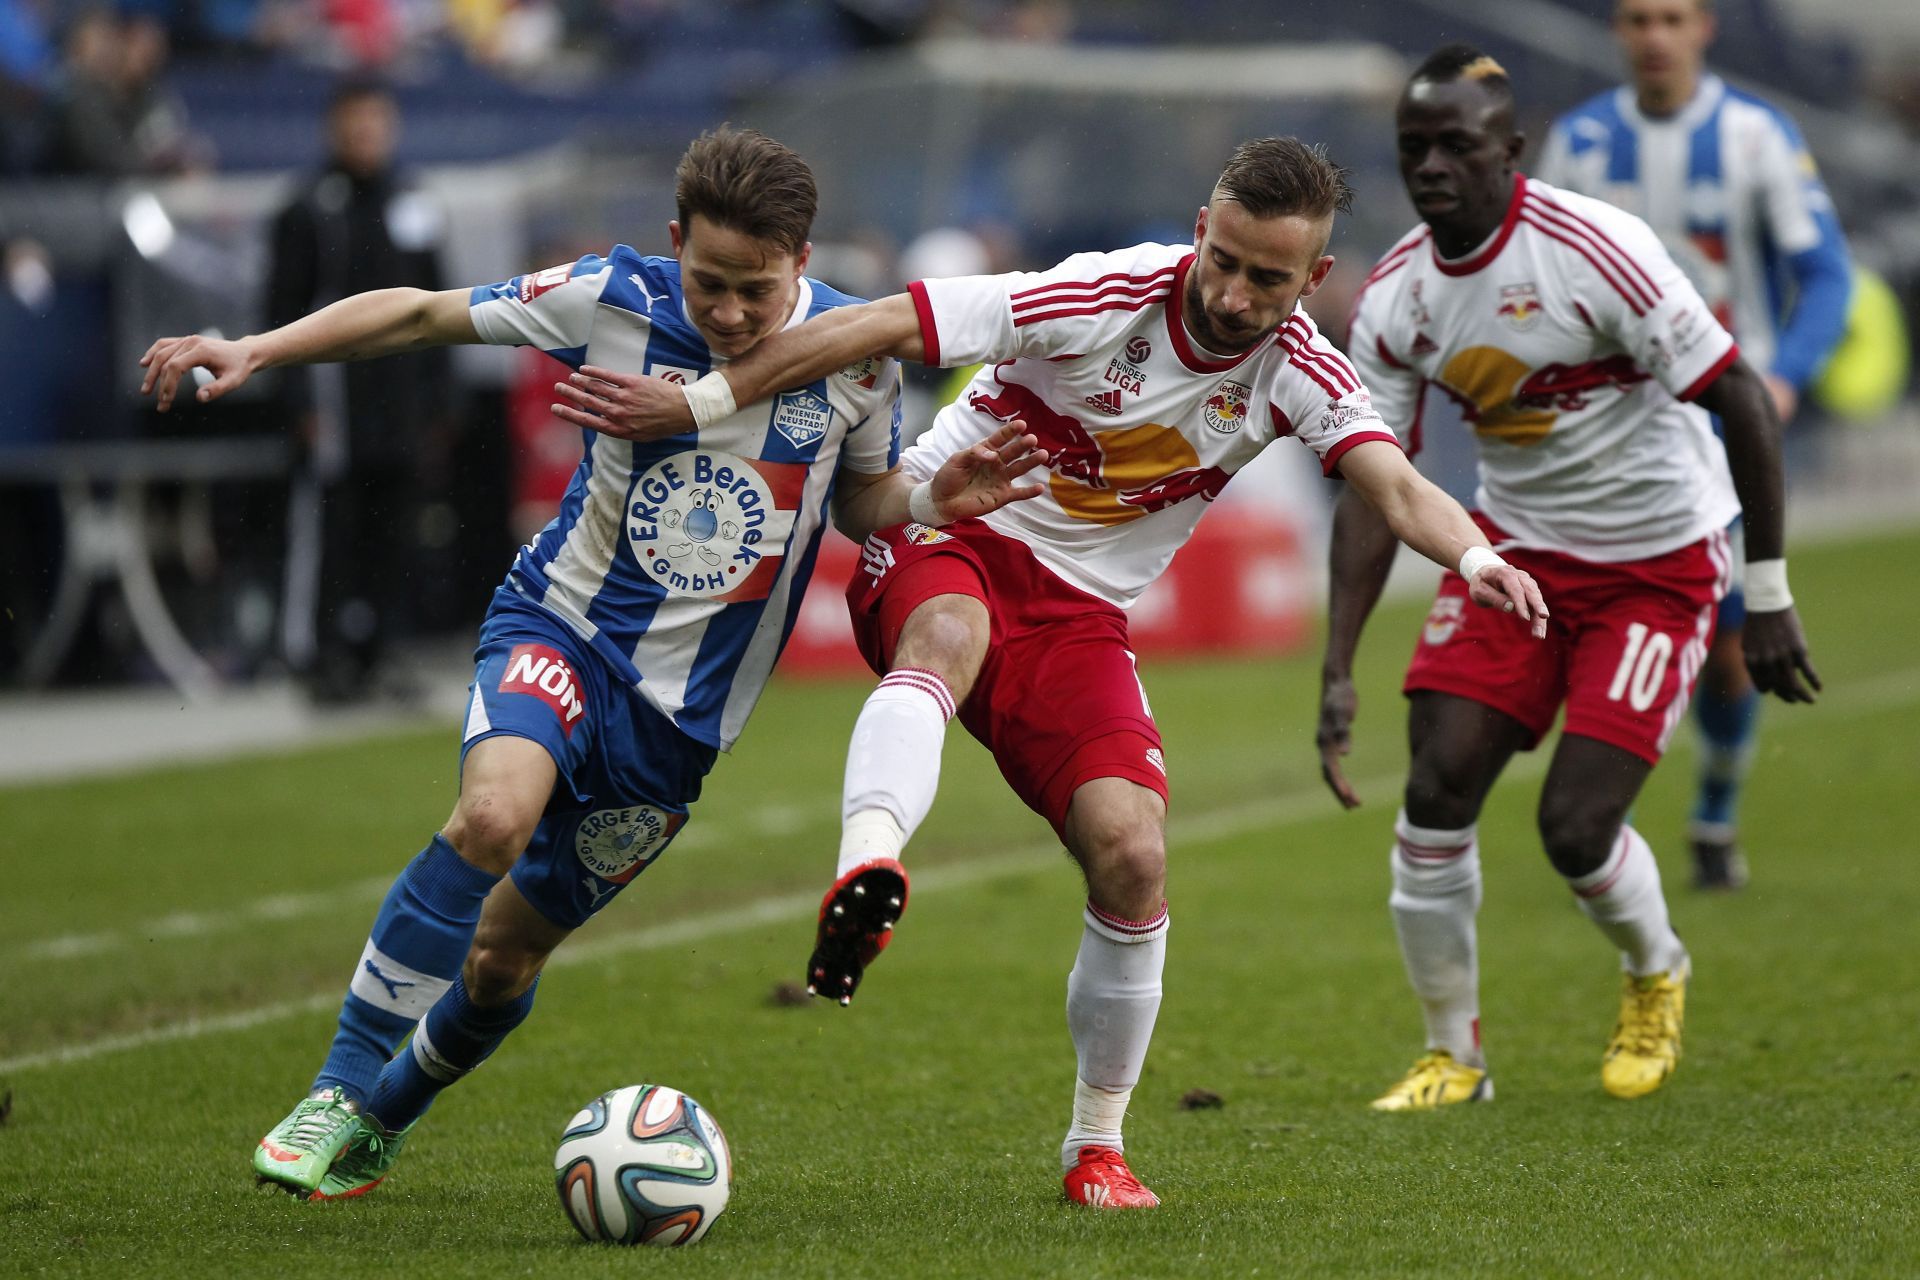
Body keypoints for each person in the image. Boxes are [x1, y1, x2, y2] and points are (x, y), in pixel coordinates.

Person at [557, 136, 1548, 1208]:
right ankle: (867, 866)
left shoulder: (1301, 368)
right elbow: (879, 322)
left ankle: (1097, 1146)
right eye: (1221, 256)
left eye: (1267, 278)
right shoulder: (1101, 291)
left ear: (1313, 280)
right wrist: (704, 401)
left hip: (1079, 615)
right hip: (948, 531)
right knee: (948, 637)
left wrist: (1480, 554)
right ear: (1202, 225)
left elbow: (1395, 486)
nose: (1231, 290)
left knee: (1131, 853)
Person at [138, 126, 1052, 1200]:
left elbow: (861, 499)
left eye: (755, 290)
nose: (728, 313)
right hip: (561, 626)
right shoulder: (613, 297)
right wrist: (260, 348)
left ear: (802, 259)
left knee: (501, 961)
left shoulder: (855, 351)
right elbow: (425, 313)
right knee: (491, 816)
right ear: (676, 244)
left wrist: (932, 501)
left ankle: (384, 1116)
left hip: (677, 729)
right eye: (709, 283)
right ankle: (338, 1087)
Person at [1327, 45, 1820, 1113]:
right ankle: (1452, 1051)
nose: (1432, 168)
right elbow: (1374, 482)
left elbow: (1738, 398)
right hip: (1518, 556)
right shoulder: (1398, 293)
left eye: (1457, 145)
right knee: (1436, 783)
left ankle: (1656, 971)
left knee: (1574, 827)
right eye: (1414, 148)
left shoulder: (1599, 250)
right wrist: (1336, 665)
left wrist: (1767, 593)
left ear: (1510, 150)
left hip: (1660, 563)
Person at [1535, 0, 1852, 889]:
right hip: (1611, 434)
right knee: (1602, 622)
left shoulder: (1757, 136)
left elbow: (1823, 271)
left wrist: (1784, 374)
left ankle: (1714, 807)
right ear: (1618, 32)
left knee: (1726, 646)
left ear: (1704, 26)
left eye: (1672, 18)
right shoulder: (1581, 143)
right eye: (1637, 19)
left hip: (1724, 428)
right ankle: (1606, 826)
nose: (1655, 37)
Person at [267, 79, 450, 704]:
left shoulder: (415, 201)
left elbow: (438, 303)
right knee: (330, 534)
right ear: (334, 128)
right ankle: (320, 658)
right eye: (355, 122)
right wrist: (298, 403)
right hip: (336, 405)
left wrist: (437, 401)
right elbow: (281, 314)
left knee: (393, 534)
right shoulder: (308, 208)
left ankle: (382, 654)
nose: (367, 134)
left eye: (377, 121)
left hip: (399, 406)